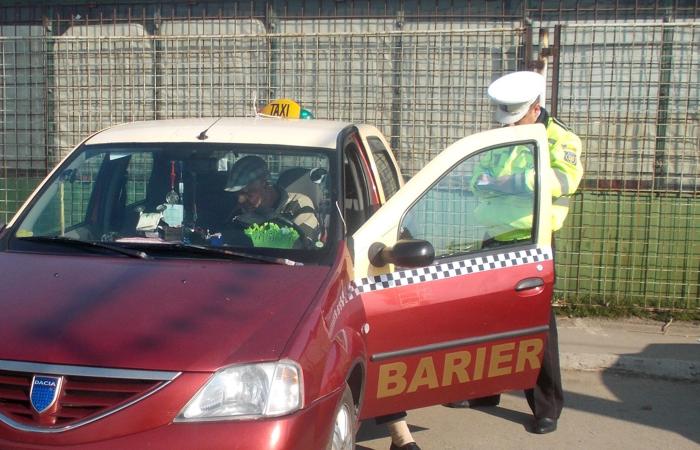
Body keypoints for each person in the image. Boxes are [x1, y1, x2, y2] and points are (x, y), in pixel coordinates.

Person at [444, 71, 584, 435]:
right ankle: (484, 392)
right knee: (489, 319)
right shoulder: (504, 134)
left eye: (516, 117)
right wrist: (509, 185)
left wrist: (507, 184)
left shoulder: (560, 139)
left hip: (532, 241)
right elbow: (478, 180)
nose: (508, 124)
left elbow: (563, 181)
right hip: (494, 237)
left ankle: (546, 407)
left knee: (537, 325)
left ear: (536, 108)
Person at [223, 155, 321, 247]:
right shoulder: (238, 212)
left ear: (266, 184)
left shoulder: (297, 204)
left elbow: (303, 246)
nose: (240, 200)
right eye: (237, 194)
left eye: (248, 193)